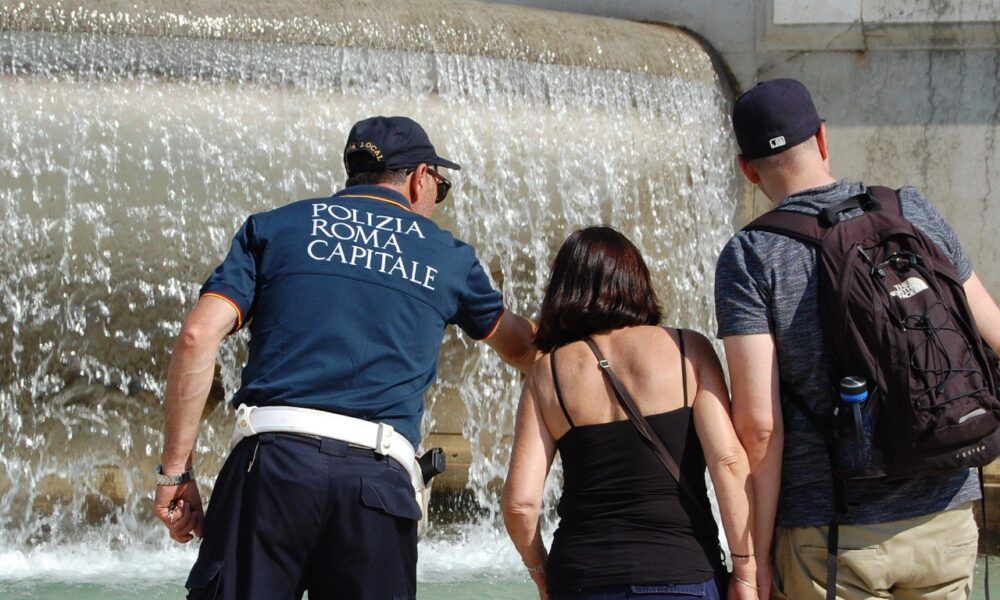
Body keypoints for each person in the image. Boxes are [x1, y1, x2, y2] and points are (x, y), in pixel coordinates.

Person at [151, 115, 539, 599]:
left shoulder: (273, 229)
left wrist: (175, 473)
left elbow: (195, 336)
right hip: (377, 485)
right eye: (440, 189)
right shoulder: (447, 256)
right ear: (421, 177)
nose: (435, 202)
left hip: (269, 470)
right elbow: (525, 348)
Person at [716, 78, 1000, 599]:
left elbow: (759, 427)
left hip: (832, 534)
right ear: (823, 140)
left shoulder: (752, 254)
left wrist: (751, 560)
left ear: (748, 170)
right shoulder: (909, 209)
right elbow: (994, 335)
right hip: (946, 515)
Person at [502, 226, 757, 600]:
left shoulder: (548, 373)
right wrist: (746, 569)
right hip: (682, 573)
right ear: (637, 281)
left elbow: (520, 503)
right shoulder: (689, 350)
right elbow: (729, 463)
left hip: (581, 577)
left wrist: (541, 571)